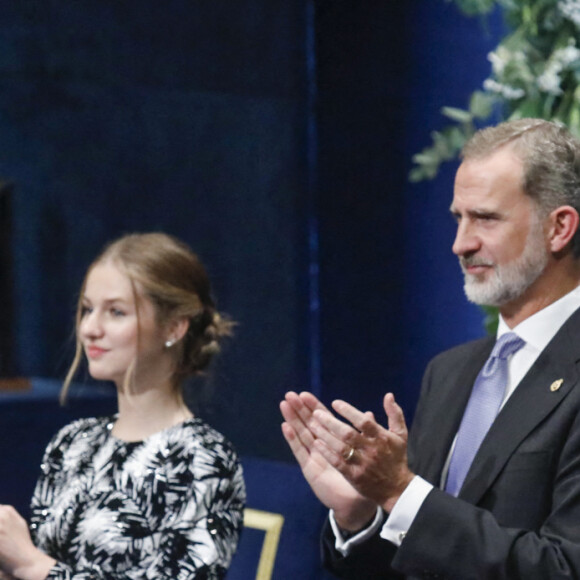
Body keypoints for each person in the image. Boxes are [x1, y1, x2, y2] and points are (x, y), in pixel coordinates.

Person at [281, 118, 580, 579]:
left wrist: (402, 492)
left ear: (559, 228)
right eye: (458, 218)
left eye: (485, 218)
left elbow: (563, 567)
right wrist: (362, 515)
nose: (461, 243)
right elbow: (422, 561)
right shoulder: (450, 373)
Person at [0, 232, 245, 580]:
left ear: (173, 327)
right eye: (87, 309)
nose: (90, 328)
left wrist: (30, 564)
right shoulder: (73, 442)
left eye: (116, 312)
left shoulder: (202, 457)